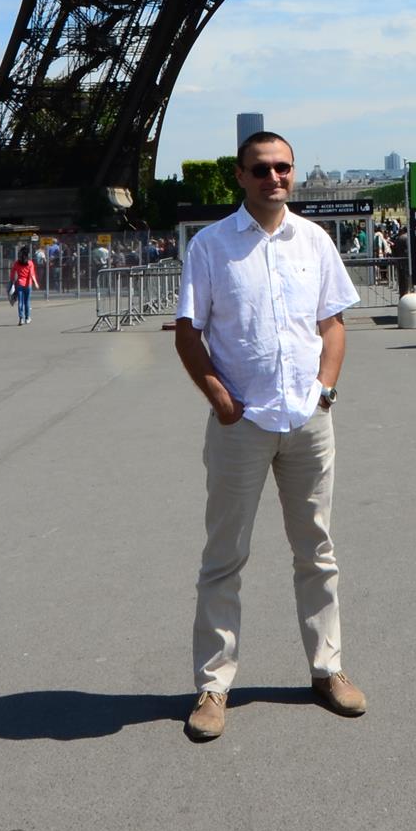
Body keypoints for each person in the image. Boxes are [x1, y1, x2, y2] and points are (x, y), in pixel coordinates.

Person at [171, 132, 363, 743]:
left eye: (282, 167)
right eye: (261, 169)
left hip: (307, 419)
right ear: (240, 175)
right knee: (223, 557)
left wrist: (325, 391)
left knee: (318, 551)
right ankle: (213, 683)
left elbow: (332, 324)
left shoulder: (315, 240)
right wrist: (221, 400)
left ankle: (327, 668)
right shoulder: (210, 245)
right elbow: (187, 331)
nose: (273, 177)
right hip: (242, 424)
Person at [9, 248, 38, 324]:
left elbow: (12, 273)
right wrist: (35, 283)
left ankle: (21, 318)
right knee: (27, 301)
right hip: (28, 284)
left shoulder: (16, 263)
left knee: (20, 302)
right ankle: (27, 318)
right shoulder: (30, 263)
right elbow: (31, 274)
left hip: (19, 284)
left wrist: (12, 281)